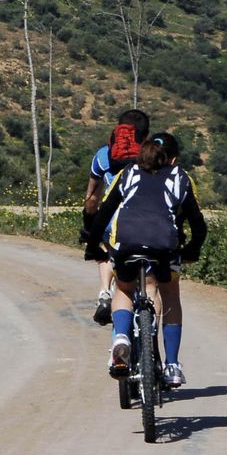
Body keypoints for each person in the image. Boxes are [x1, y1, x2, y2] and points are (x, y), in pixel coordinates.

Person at [87, 132, 206, 389]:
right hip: (165, 245)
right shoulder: (181, 178)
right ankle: (172, 365)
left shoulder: (127, 173)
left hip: (127, 242)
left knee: (125, 289)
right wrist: (192, 249)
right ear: (172, 159)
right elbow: (198, 224)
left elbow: (103, 213)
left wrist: (93, 247)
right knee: (170, 294)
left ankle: (121, 337)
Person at [81, 109, 150, 325]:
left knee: (104, 245)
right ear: (145, 135)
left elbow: (92, 198)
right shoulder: (153, 155)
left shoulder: (103, 155)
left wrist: (89, 224)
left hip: (114, 223)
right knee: (152, 283)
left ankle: (104, 293)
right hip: (149, 222)